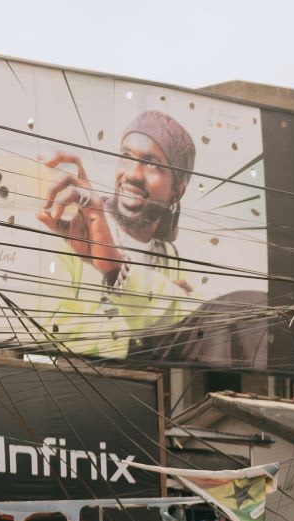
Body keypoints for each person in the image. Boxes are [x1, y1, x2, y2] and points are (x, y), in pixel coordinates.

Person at [37, 110, 198, 358]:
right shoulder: (76, 231)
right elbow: (48, 324)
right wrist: (138, 337)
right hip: (74, 385)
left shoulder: (168, 256)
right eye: (126, 156)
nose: (132, 175)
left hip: (151, 390)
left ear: (177, 190)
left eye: (152, 163)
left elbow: (197, 323)